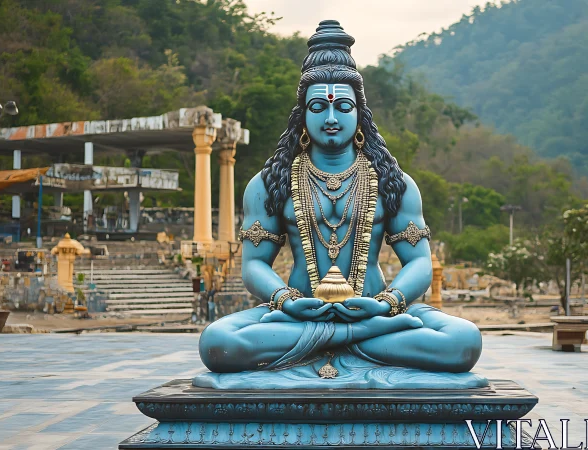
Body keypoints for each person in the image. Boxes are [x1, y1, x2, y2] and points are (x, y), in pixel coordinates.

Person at [198, 20, 481, 375]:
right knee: (217, 342)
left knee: (464, 340)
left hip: (378, 311)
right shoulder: (270, 183)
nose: (331, 118)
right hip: (300, 315)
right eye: (318, 107)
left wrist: (387, 304)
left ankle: (335, 338)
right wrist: (287, 301)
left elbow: (420, 262)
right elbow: (254, 265)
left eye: (342, 107)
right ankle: (360, 338)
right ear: (302, 115)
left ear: (360, 114)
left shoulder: (393, 182)